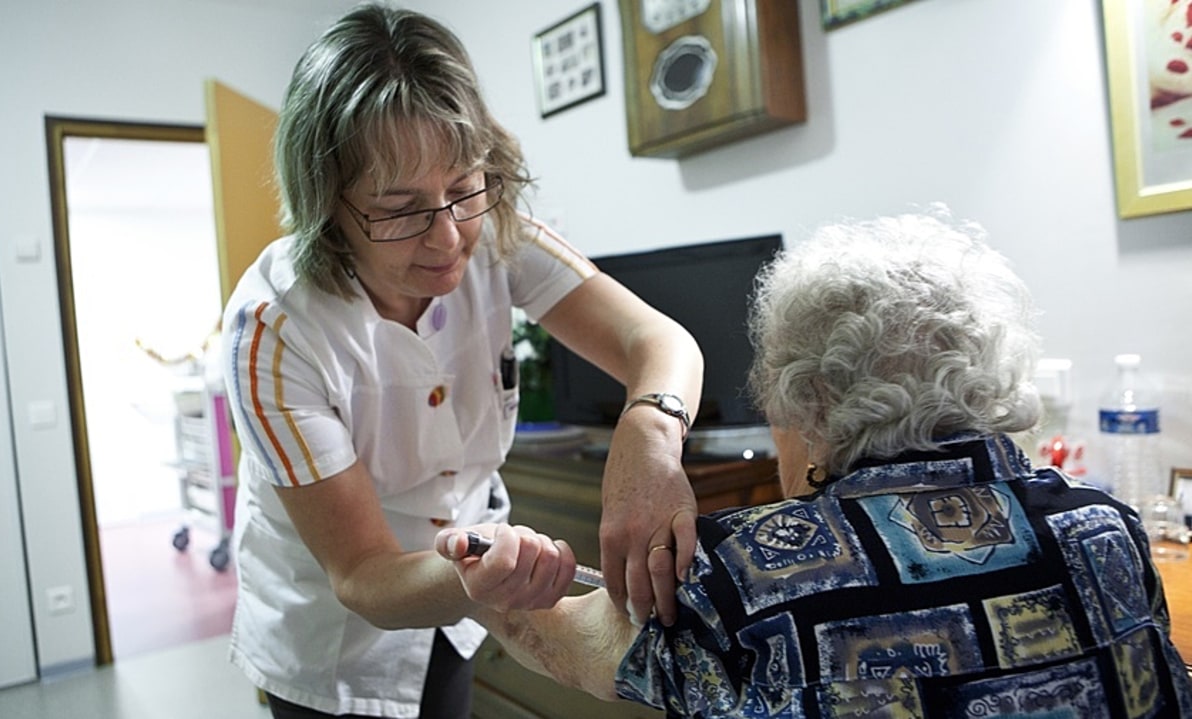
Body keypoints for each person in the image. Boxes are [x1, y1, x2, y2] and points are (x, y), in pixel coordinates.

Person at [437, 206, 1192, 717]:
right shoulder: (1108, 529)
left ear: (808, 397)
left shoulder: (745, 576)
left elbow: (570, 646)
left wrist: (496, 577)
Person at [219, 4, 703, 717]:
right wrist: (484, 581)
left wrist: (650, 435)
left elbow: (660, 343)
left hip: (459, 608)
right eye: (401, 207)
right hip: (333, 642)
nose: (448, 234)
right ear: (328, 204)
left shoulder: (497, 232)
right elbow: (363, 574)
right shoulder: (273, 332)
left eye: (463, 187)